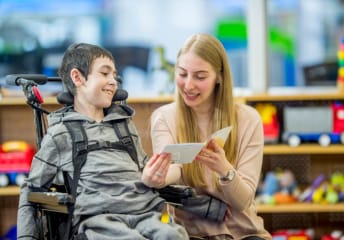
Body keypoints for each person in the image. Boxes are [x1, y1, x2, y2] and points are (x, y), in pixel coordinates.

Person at [17, 43, 188, 240]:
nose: (113, 81)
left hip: (144, 211)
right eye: (105, 73)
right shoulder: (61, 133)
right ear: (77, 77)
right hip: (100, 219)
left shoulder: (124, 126)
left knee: (174, 235)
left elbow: (142, 172)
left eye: (114, 75)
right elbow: (31, 189)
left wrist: (156, 173)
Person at [149, 34, 272, 240]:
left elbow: (243, 201)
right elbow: (173, 168)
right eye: (182, 74)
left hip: (244, 234)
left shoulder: (248, 119)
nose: (188, 85)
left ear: (219, 77)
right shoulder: (164, 118)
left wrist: (224, 169)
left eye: (200, 76)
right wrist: (158, 178)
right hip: (190, 234)